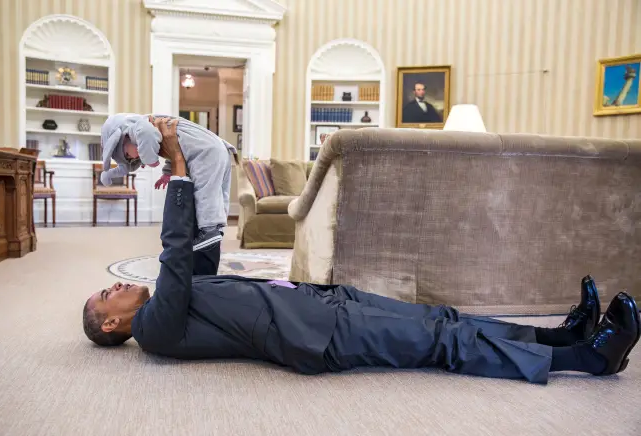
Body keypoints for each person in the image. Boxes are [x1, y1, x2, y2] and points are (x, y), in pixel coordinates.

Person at [82, 118, 641, 384]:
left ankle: (558, 335)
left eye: (106, 286)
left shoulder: (171, 304)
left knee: (442, 317)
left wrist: (190, 172)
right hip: (320, 336)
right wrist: (176, 163)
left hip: (321, 304)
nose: (116, 287)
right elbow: (176, 255)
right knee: (441, 342)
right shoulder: (155, 330)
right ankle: (586, 359)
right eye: (107, 297)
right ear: (112, 328)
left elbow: (199, 242)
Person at [99, 113, 237, 251]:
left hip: (205, 153)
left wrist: (150, 159)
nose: (132, 158)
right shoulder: (165, 128)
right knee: (218, 190)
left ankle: (209, 230)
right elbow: (179, 147)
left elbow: (147, 133)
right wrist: (167, 173)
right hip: (217, 148)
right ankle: (218, 228)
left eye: (128, 155)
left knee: (205, 191)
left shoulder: (139, 127)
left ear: (124, 138)